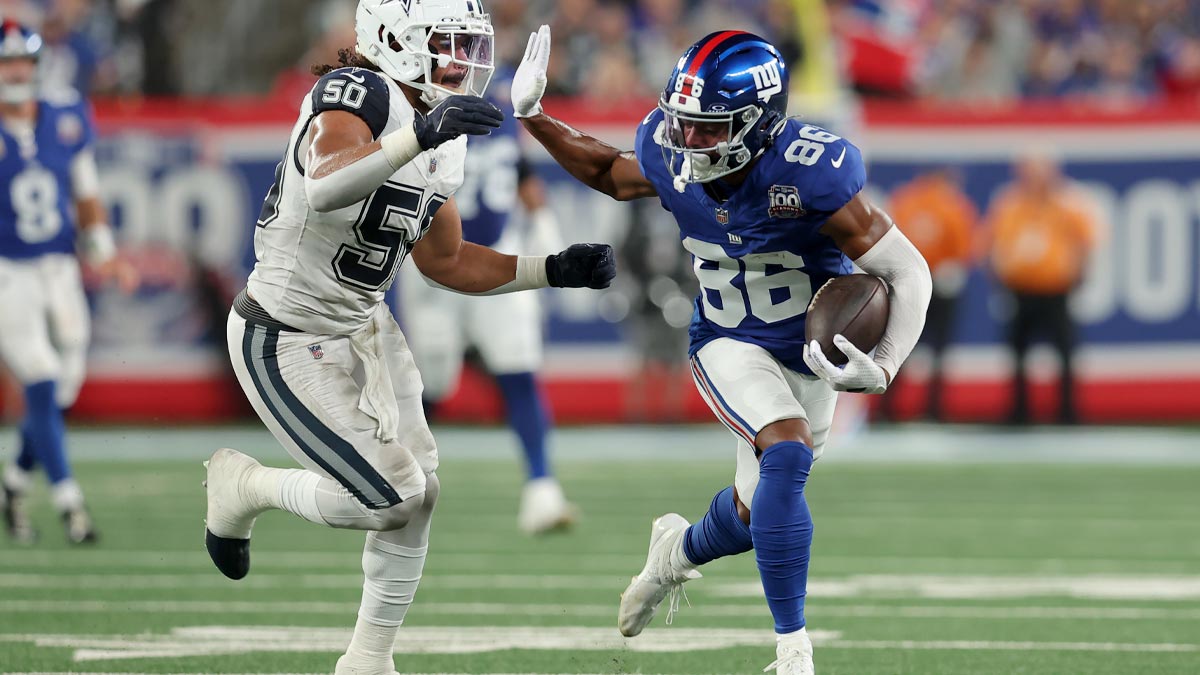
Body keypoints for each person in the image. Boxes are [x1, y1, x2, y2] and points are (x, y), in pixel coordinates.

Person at [201, 3, 614, 675]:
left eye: (468, 44)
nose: (463, 60)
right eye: (447, 43)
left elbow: (445, 260)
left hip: (363, 326)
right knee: (390, 495)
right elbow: (328, 181)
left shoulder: (440, 130)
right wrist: (417, 134)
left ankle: (369, 658)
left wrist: (551, 269)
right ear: (394, 40)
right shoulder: (356, 91)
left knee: (421, 492)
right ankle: (245, 488)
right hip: (283, 331)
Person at [511, 27, 932, 674]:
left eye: (710, 128)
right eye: (685, 123)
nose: (688, 139)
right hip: (728, 339)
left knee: (750, 512)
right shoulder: (672, 152)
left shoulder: (809, 172)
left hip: (813, 354)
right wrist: (534, 117)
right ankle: (793, 651)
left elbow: (910, 272)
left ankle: (674, 553)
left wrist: (888, 364)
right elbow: (607, 170)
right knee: (785, 452)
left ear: (760, 124)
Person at [397, 69, 577, 535]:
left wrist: (545, 230)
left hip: (495, 256)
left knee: (519, 366)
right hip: (433, 262)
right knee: (432, 379)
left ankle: (542, 486)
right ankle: (398, 476)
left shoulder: (504, 90)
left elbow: (520, 171)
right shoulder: (416, 95)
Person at [0, 18, 133, 545]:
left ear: (35, 67)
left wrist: (103, 250)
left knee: (65, 381)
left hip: (58, 265)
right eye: (5, 61)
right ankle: (70, 505)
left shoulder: (63, 116)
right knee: (39, 373)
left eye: (21, 62)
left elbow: (86, 191)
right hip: (8, 271)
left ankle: (12, 484)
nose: (14, 71)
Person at [983, 151, 1097, 425]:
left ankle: (1068, 412)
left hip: (1055, 288)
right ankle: (1019, 411)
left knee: (1065, 351)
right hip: (1021, 288)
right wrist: (998, 275)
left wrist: (1080, 274)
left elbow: (1085, 242)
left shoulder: (1069, 204)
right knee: (1017, 351)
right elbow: (992, 242)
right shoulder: (1010, 203)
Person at [877, 166, 976, 421]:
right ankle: (932, 409)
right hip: (935, 283)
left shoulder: (905, 199)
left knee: (899, 346)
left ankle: (889, 408)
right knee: (933, 349)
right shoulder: (951, 204)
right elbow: (965, 244)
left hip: (910, 282)